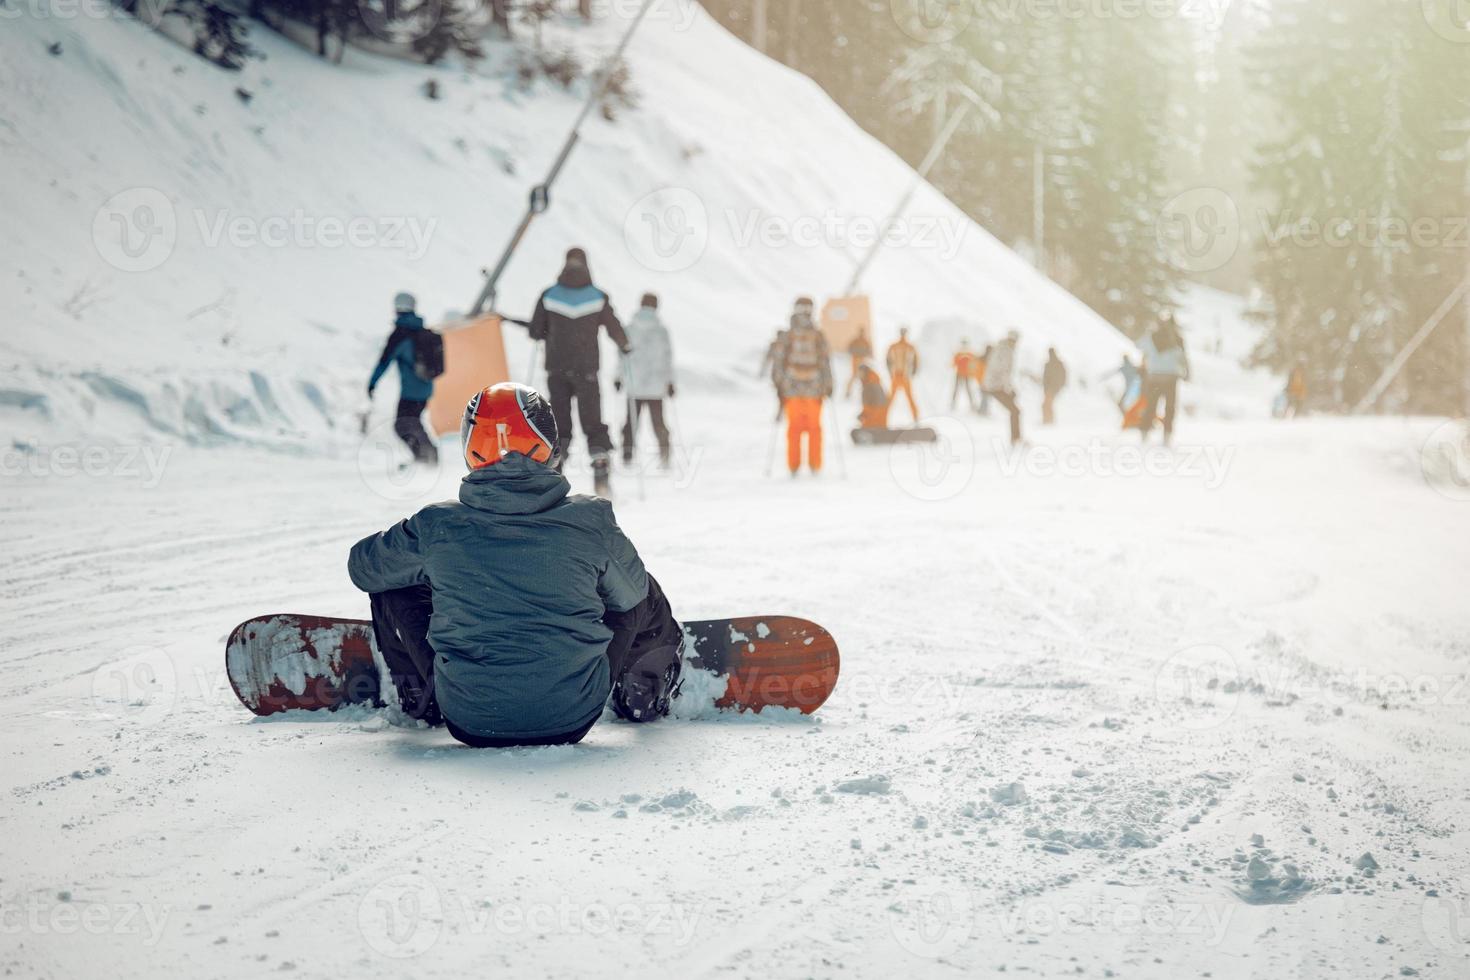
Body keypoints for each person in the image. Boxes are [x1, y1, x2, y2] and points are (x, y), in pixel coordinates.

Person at [347, 382, 684, 748]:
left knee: (393, 581)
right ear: (548, 445)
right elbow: (631, 596)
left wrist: (437, 568)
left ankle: (420, 701)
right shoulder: (590, 519)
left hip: (467, 718)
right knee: (640, 589)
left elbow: (363, 568)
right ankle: (644, 694)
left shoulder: (437, 526)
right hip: (571, 716)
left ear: (472, 448)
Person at [529, 247, 630, 496]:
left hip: (557, 371)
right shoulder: (597, 296)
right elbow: (614, 327)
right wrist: (625, 345)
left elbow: (535, 331)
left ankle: (554, 479)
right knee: (593, 423)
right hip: (587, 372)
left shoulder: (549, 295)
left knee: (560, 425)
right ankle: (600, 469)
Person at [368, 291, 440, 465]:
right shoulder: (422, 330)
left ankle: (427, 457)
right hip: (426, 387)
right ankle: (426, 457)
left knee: (403, 425)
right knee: (411, 423)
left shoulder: (400, 334)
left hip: (411, 391)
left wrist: (372, 383)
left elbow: (384, 362)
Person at [773, 305, 834, 475]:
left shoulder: (787, 335)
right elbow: (825, 361)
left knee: (794, 429)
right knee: (814, 429)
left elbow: (778, 361)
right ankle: (815, 465)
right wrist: (828, 385)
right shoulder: (818, 335)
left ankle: (794, 465)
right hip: (814, 390)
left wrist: (779, 384)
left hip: (791, 390)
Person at [617, 293, 676, 468]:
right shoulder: (662, 330)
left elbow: (622, 356)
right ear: (656, 307)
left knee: (631, 423)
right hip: (656, 385)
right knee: (658, 422)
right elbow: (667, 358)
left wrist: (618, 377)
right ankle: (665, 455)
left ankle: (627, 455)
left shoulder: (629, 328)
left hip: (634, 384)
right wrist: (670, 382)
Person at [1139, 315, 1191, 445]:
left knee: (1151, 406)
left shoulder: (1151, 336)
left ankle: (1144, 434)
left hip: (1154, 377)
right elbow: (1183, 358)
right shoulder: (1177, 339)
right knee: (1170, 407)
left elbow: (1142, 350)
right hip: (1170, 378)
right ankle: (1166, 437)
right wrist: (1187, 373)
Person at [982, 330, 1023, 446]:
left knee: (1015, 410)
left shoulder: (1001, 348)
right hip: (995, 386)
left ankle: (1016, 438)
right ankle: (1016, 439)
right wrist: (1008, 388)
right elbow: (1004, 371)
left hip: (993, 384)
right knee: (1015, 411)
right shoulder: (1006, 351)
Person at [886, 326, 921, 423]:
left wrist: (913, 372)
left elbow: (916, 361)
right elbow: (888, 360)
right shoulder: (893, 346)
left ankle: (916, 418)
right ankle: (883, 418)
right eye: (902, 333)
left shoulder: (910, 347)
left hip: (905, 376)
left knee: (910, 398)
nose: (903, 335)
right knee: (890, 399)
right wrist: (890, 373)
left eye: (904, 333)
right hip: (896, 375)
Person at [761, 327, 790, 421]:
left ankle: (782, 412)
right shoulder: (783, 345)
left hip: (782, 376)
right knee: (782, 395)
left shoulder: (787, 345)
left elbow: (767, 359)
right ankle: (782, 412)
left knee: (783, 395)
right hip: (781, 376)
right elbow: (768, 358)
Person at [857, 362, 889, 430]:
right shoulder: (870, 382)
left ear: (865, 372)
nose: (859, 375)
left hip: (877, 410)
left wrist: (865, 414)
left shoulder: (871, 384)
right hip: (878, 410)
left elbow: (872, 403)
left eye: (860, 372)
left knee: (869, 427)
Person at [1041, 347, 1068, 425]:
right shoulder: (1050, 364)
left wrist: (1060, 385)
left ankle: (1048, 420)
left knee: (1047, 404)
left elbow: (1063, 376)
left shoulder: (1057, 364)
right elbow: (1045, 377)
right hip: (1049, 388)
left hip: (1053, 388)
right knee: (1047, 404)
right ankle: (1048, 419)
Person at [844, 328, 873, 399]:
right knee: (854, 375)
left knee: (864, 377)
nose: (862, 334)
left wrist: (866, 354)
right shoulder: (855, 341)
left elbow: (869, 350)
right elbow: (849, 348)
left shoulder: (865, 341)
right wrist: (855, 353)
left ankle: (865, 393)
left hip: (862, 360)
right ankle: (848, 391)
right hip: (855, 359)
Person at [951, 340, 979, 411]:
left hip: (964, 374)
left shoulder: (963, 353)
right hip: (962, 373)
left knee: (964, 389)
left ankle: (954, 403)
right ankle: (954, 403)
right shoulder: (966, 353)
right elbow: (954, 363)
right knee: (961, 389)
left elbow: (954, 364)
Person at [975, 344, 993, 416]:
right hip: (985, 380)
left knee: (984, 396)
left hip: (982, 380)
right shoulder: (989, 359)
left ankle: (982, 410)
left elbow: (977, 370)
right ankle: (983, 411)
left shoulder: (983, 358)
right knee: (985, 396)